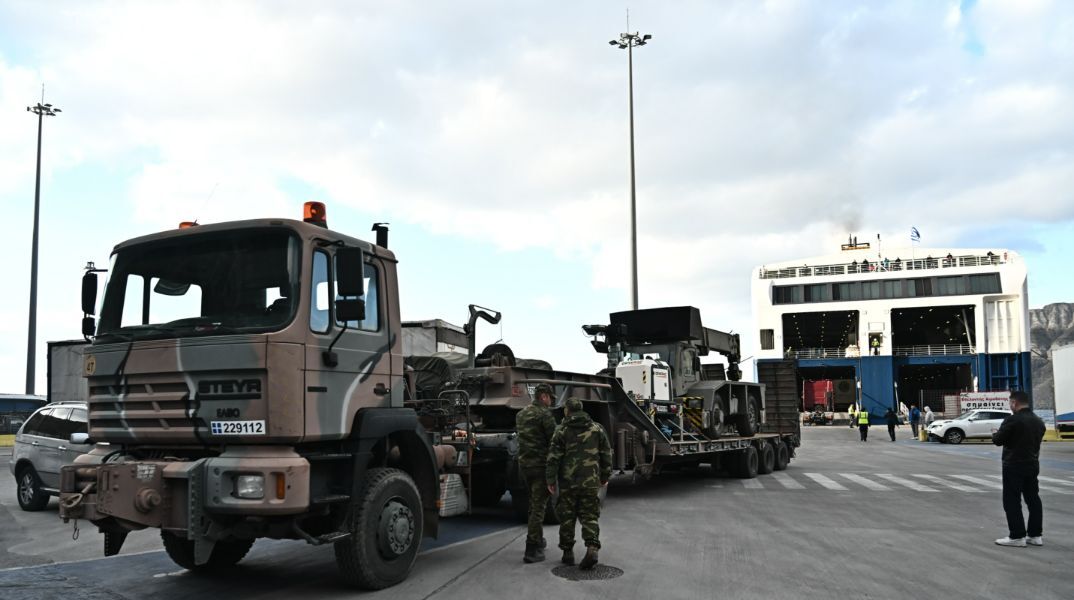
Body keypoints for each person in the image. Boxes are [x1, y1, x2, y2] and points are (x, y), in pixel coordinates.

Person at [546, 397, 612, 570]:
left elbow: (553, 458)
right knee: (589, 515)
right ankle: (592, 547)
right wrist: (605, 475)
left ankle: (567, 553)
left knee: (567, 516)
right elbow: (606, 454)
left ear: (567, 410)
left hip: (568, 482)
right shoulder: (596, 428)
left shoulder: (561, 430)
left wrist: (550, 479)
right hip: (591, 480)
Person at [992, 391, 1046, 547]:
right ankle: (1035, 535)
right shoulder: (1038, 421)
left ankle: (1017, 536)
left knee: (1012, 500)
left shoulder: (1012, 420)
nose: (1010, 406)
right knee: (1033, 499)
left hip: (1013, 464)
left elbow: (998, 440)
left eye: (1010, 403)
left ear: (1014, 403)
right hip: (1032, 464)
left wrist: (995, 434)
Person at [515, 383, 557, 563]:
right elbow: (554, 442)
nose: (550, 402)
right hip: (541, 467)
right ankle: (531, 549)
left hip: (525, 466)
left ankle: (538, 540)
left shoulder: (521, 414)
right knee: (539, 508)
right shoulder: (545, 415)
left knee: (534, 504)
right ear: (544, 396)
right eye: (550, 398)